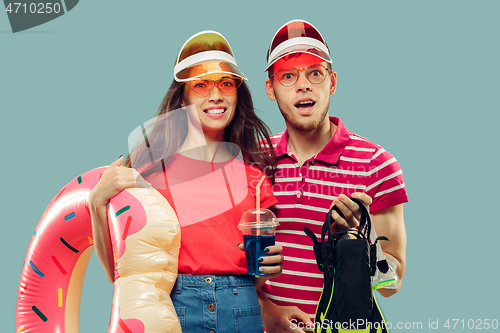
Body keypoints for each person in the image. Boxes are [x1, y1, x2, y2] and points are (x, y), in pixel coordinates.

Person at [89, 30, 284, 333]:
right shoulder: (149, 173)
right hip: (174, 307)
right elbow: (119, 273)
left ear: (237, 94)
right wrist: (96, 203)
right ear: (183, 97)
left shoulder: (256, 182)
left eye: (226, 84)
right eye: (200, 85)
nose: (215, 95)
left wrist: (266, 270)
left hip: (241, 308)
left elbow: (255, 279)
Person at [257, 20, 409, 332]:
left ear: (332, 82)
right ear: (270, 88)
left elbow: (392, 282)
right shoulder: (252, 159)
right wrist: (265, 312)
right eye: (288, 76)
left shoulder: (378, 165)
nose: (304, 85)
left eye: (315, 73)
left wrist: (361, 241)